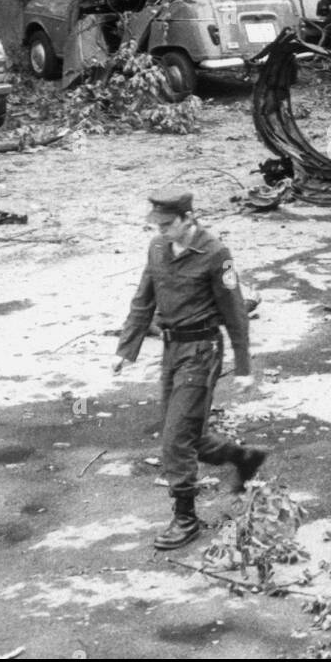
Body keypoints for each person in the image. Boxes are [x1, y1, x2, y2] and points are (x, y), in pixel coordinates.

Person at [113, 188, 267, 550]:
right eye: (158, 224)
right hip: (171, 349)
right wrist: (126, 350)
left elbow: (235, 312)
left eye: (168, 224)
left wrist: (243, 366)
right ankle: (243, 457)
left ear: (187, 218)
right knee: (187, 433)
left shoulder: (215, 253)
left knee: (175, 439)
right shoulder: (156, 249)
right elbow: (143, 300)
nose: (162, 230)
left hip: (202, 350)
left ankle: (185, 518)